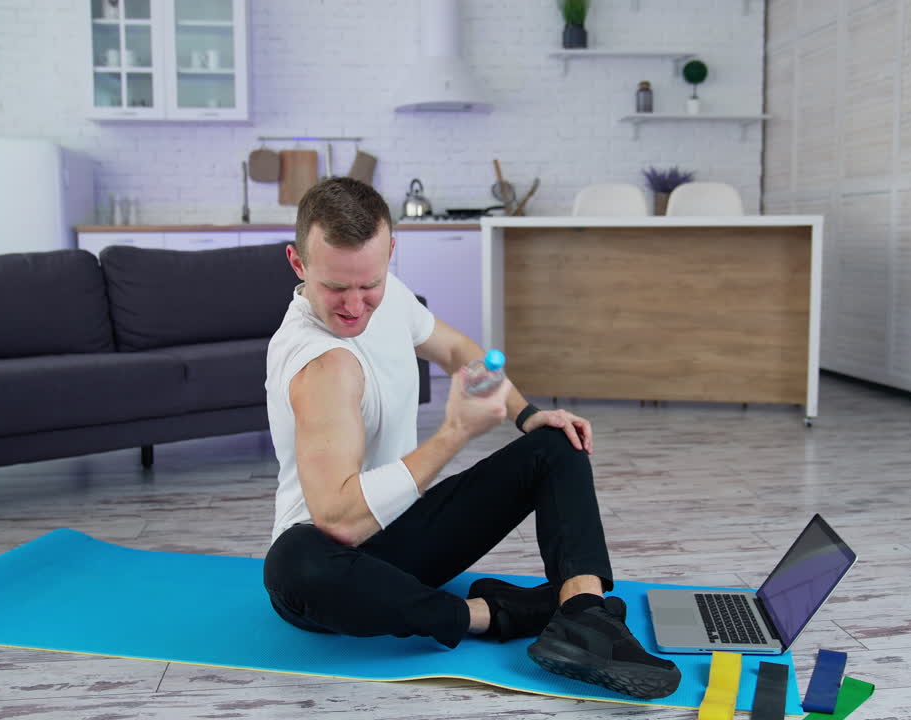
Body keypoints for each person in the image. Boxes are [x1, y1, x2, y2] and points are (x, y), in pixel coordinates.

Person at [261, 178, 680, 700]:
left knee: (556, 444)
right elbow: (338, 522)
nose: (354, 305)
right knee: (293, 560)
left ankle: (584, 616)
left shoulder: (390, 299)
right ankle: (494, 614)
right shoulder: (319, 364)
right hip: (334, 572)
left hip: (404, 538)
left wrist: (526, 413)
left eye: (367, 284)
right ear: (298, 264)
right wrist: (456, 431)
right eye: (335, 288)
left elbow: (458, 349)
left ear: (390, 253)